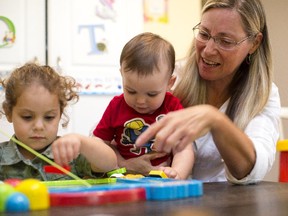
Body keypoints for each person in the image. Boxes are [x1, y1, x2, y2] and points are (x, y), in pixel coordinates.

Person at [133, 0, 281, 185]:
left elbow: (254, 169)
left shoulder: (263, 95)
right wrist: (125, 162)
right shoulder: (172, 77)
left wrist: (215, 120)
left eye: (225, 41)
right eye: (204, 34)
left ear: (254, 43)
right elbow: (110, 131)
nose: (208, 50)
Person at [93, 32, 194, 179]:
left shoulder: (172, 107)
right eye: (131, 91)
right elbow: (101, 143)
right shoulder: (116, 106)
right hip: (124, 179)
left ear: (169, 84)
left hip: (161, 179)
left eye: (151, 94)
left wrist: (177, 174)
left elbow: (183, 149)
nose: (140, 101)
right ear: (122, 75)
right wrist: (120, 163)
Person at [0, 63, 117, 181]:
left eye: (49, 117)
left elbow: (109, 164)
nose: (39, 126)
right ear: (9, 113)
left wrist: (82, 142)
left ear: (60, 114)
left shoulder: (70, 155)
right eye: (27, 117)